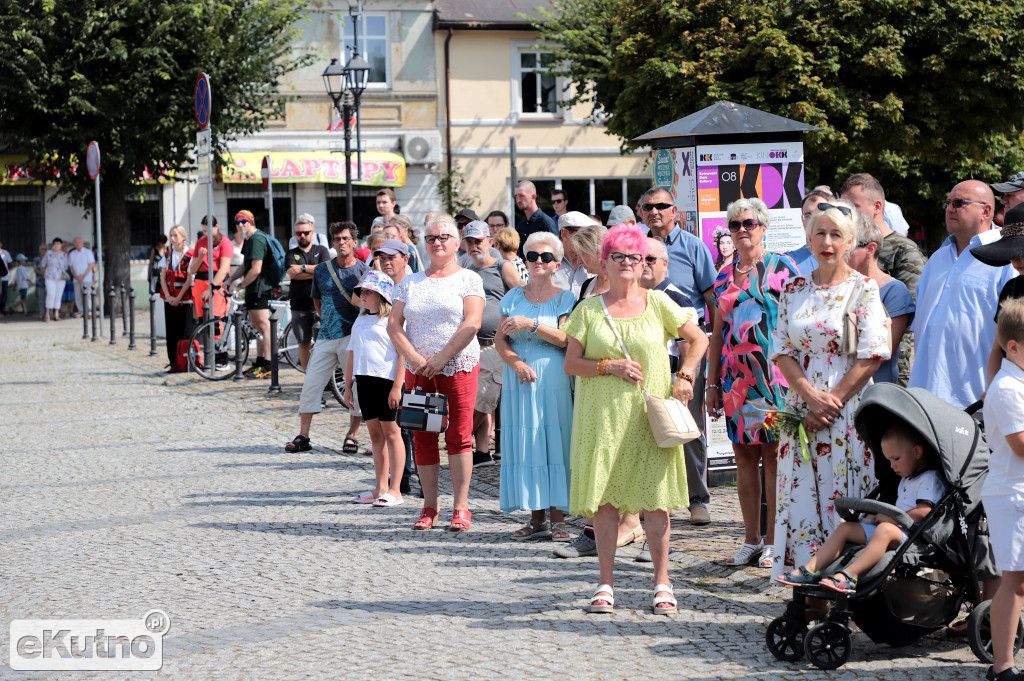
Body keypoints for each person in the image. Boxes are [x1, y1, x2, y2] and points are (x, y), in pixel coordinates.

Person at [563, 224, 708, 614]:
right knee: (607, 504)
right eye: (619, 257)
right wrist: (609, 365)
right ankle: (605, 583)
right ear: (604, 263)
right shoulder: (589, 309)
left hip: (648, 417)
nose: (627, 263)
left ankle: (663, 581)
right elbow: (571, 364)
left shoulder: (659, 303)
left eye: (634, 257)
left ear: (644, 263)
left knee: (656, 503)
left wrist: (686, 376)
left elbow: (699, 339)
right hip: (602, 419)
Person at [770, 199, 891, 577]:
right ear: (808, 238)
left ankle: (846, 577)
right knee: (803, 489)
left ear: (851, 241)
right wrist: (808, 397)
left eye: (836, 234)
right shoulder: (792, 289)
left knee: (845, 486)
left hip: (847, 406)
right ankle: (805, 577)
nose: (827, 241)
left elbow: (872, 353)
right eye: (819, 232)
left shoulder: (863, 290)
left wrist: (832, 401)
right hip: (802, 405)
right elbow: (782, 350)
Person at [705, 198, 801, 568]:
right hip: (735, 380)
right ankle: (751, 539)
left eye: (749, 223)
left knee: (775, 455)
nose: (742, 230)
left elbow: (797, 321)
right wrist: (712, 384)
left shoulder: (783, 266)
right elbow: (717, 332)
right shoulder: (723, 275)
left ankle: (777, 540)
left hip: (776, 377)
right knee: (744, 457)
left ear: (763, 227)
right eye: (735, 225)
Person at [388, 214, 485, 532]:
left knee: (459, 435)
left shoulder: (469, 279)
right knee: (423, 435)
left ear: (457, 242)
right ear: (423, 245)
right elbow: (394, 325)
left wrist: (444, 356)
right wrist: (414, 358)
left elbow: (472, 323)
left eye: (444, 237)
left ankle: (461, 506)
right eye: (431, 238)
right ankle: (430, 505)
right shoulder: (410, 282)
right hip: (419, 370)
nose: (438, 243)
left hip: (457, 366)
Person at [776, 421, 944, 593]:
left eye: (896, 459)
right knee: (846, 528)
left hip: (914, 536)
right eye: (888, 461)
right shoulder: (906, 478)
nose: (892, 466)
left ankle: (850, 575)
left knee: (885, 529)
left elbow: (925, 511)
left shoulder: (930, 479)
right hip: (893, 530)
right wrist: (876, 517)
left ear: (916, 452)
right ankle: (810, 569)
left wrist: (891, 518)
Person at [640, 186, 716, 526]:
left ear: (676, 212)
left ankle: (697, 498)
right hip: (646, 351)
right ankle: (651, 499)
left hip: (687, 349)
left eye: (662, 205)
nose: (655, 211)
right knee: (648, 427)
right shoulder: (636, 247)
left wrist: (708, 352)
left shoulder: (694, 247)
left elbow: (711, 298)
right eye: (648, 206)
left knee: (689, 426)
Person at [495, 232, 575, 540]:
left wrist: (532, 325)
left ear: (556, 263)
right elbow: (500, 340)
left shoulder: (565, 297)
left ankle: (558, 519)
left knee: (553, 441)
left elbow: (566, 339)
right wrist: (515, 363)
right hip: (518, 378)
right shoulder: (513, 297)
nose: (538, 262)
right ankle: (535, 516)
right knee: (526, 446)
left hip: (551, 377)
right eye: (532, 256)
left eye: (545, 257)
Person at [909, 181, 1016, 408]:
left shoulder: (1006, 260)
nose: (950, 209)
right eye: (948, 203)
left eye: (959, 203)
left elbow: (1013, 331)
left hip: (977, 399)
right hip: (924, 395)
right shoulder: (937, 260)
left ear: (986, 211)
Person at [285, 221, 369, 454]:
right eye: (337, 239)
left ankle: (352, 434)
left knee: (355, 386)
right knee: (311, 383)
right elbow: (317, 301)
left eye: (345, 239)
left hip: (352, 336)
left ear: (354, 242)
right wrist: (327, 321)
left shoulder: (364, 271)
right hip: (325, 335)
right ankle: (304, 435)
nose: (341, 243)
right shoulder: (322, 270)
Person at [840, 173, 926, 385]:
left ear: (877, 206)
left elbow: (907, 316)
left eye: (853, 206)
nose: (846, 214)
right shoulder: (843, 248)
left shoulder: (905, 251)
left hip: (889, 369)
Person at [979, 298, 1024, 681]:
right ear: (1013, 347)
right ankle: (1003, 666)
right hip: (1012, 495)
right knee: (1016, 579)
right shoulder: (1008, 387)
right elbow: (1020, 444)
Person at [463, 221, 522, 467]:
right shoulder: (464, 271)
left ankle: (459, 438)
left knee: (483, 398)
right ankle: (477, 450)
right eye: (470, 241)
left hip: (493, 344)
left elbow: (522, 296)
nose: (474, 246)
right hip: (468, 344)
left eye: (479, 241)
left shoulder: (502, 267)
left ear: (490, 241)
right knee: (473, 398)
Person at [344, 270, 405, 507]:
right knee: (375, 437)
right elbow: (352, 354)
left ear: (381, 295)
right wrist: (348, 385)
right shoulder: (360, 320)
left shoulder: (391, 321)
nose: (363, 296)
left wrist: (397, 387)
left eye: (369, 292)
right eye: (362, 292)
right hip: (364, 381)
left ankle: (395, 489)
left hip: (386, 381)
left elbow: (402, 355)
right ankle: (379, 486)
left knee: (392, 434)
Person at [849, 212, 915, 385]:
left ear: (870, 249)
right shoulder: (836, 287)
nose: (840, 251)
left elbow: (882, 353)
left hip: (873, 393)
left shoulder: (894, 291)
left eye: (849, 245)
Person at [374, 238, 418, 494]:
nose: (386, 261)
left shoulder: (412, 286)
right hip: (384, 368)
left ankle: (414, 479)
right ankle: (399, 481)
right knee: (395, 428)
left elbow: (408, 336)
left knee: (414, 425)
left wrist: (398, 382)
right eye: (382, 257)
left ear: (405, 258)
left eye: (392, 257)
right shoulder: (380, 286)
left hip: (409, 365)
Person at [975, 204, 1024, 389]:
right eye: (1011, 253)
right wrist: (991, 388)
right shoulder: (1011, 288)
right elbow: (997, 348)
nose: (1015, 260)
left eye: (1021, 252)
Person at [228, 211, 275, 379]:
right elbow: (245, 265)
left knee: (264, 326)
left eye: (243, 221)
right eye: (237, 222)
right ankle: (260, 363)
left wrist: (240, 286)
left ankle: (269, 365)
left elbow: (256, 269)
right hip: (253, 289)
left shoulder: (257, 239)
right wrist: (230, 279)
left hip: (260, 288)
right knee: (257, 327)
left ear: (251, 222)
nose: (240, 224)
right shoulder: (248, 239)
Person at [286, 215, 332, 370]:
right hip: (299, 304)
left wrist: (303, 268)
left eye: (306, 232)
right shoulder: (291, 253)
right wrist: (314, 271)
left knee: (326, 342)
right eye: (299, 233)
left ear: (312, 232)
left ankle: (326, 378)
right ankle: (308, 378)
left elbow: (325, 269)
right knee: (304, 342)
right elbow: (293, 274)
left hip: (321, 303)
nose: (303, 236)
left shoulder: (321, 250)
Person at [189, 215, 234, 326]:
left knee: (216, 320)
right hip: (200, 281)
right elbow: (192, 270)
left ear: (216, 227)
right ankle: (207, 342)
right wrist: (200, 257)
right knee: (202, 320)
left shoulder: (225, 242)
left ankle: (217, 342)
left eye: (208, 230)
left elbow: (224, 269)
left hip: (217, 282)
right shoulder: (200, 242)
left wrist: (210, 288)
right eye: (204, 231)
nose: (206, 234)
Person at [160, 225, 194, 372]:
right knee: (171, 333)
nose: (173, 239)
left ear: (183, 237)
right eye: (171, 236)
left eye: (175, 236)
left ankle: (186, 362)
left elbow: (189, 279)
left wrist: (179, 297)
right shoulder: (167, 255)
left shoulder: (189, 255)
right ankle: (174, 362)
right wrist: (168, 296)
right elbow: (162, 277)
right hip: (169, 299)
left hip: (184, 300)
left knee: (185, 332)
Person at [785, 189, 834, 275]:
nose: (812, 220)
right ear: (802, 220)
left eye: (818, 213)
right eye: (808, 215)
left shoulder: (846, 256)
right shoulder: (788, 261)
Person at [552, 211, 597, 296]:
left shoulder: (593, 265)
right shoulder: (548, 263)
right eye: (581, 233)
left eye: (588, 235)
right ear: (564, 234)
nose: (586, 239)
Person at [514, 180, 557, 253]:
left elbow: (556, 251)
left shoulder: (545, 222)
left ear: (533, 196)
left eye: (521, 195)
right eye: (516, 196)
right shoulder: (520, 226)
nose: (518, 200)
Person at [67, 237, 96, 318]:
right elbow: (71, 267)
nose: (77, 244)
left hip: (86, 278)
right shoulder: (72, 253)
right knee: (78, 296)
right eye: (76, 242)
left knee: (88, 295)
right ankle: (82, 311)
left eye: (79, 242)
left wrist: (83, 276)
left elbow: (91, 265)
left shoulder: (88, 252)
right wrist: (75, 276)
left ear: (82, 243)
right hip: (76, 278)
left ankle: (89, 312)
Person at [41, 238, 68, 322]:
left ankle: (56, 314)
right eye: (55, 244)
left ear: (61, 245)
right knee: (51, 294)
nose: (56, 245)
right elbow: (43, 264)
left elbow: (66, 266)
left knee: (58, 295)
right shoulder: (49, 254)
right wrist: (47, 273)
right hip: (50, 277)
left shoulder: (64, 255)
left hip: (60, 278)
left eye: (58, 244)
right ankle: (47, 313)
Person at [33, 244, 47, 319]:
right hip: (39, 281)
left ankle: (48, 313)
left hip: (48, 281)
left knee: (48, 298)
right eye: (42, 249)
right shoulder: (36, 259)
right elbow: (35, 269)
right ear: (39, 250)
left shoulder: (49, 258)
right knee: (41, 298)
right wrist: (42, 273)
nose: (44, 251)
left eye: (45, 249)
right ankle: (42, 313)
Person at [0, 238, 11, 316]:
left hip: (4, 277)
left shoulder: (5, 253)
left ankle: (1, 309)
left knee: (4, 294)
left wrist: (6, 271)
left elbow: (10, 263)